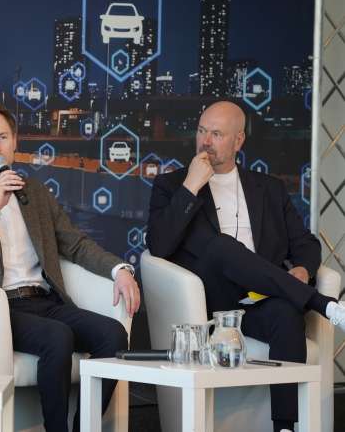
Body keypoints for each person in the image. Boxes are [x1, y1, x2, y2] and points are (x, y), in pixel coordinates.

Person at [0, 102, 139, 432]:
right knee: (57, 336)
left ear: (15, 142)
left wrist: (118, 270)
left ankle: (83, 428)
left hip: (44, 300)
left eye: (3, 137)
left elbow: (74, 242)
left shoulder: (35, 192)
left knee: (113, 334)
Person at [147, 100, 345, 432]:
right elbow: (158, 246)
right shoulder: (172, 186)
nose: (205, 141)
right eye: (201, 131)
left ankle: (284, 426)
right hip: (210, 301)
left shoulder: (269, 188)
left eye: (216, 134)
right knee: (223, 246)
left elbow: (306, 244)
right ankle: (324, 305)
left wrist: (302, 271)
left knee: (286, 314)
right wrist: (191, 186)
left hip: (259, 299)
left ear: (238, 140)